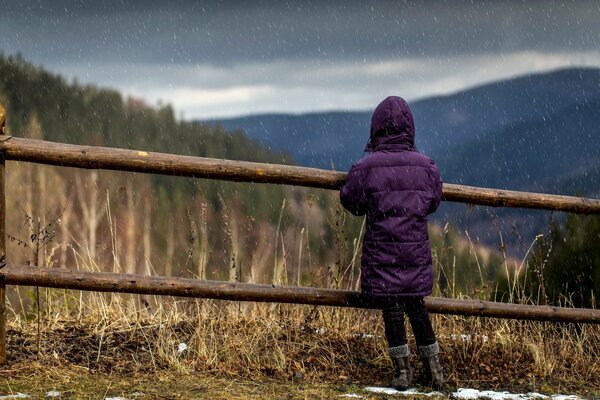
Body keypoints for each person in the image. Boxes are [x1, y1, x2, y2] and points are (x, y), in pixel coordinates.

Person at [340, 96, 443, 390]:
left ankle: (402, 372)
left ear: (376, 129)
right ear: (409, 128)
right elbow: (433, 201)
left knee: (392, 309)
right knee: (416, 305)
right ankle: (434, 370)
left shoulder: (366, 167)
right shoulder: (426, 167)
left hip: (382, 250)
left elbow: (353, 200)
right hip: (414, 250)